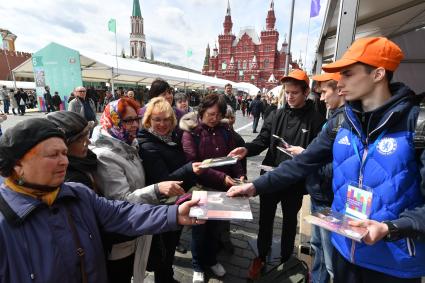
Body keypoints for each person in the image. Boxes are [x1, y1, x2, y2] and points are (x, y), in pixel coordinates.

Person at [228, 37, 425, 283]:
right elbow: (301, 163)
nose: (339, 83)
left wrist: (391, 228)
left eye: (348, 74)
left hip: (393, 263)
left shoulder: (417, 125)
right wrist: (255, 186)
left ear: (378, 74)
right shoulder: (340, 123)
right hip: (345, 251)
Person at [0, 118, 202, 283]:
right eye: (53, 155)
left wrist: (174, 213)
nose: (64, 161)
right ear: (18, 165)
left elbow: (122, 213)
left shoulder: (77, 194)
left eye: (64, 152)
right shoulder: (5, 222)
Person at [231, 69, 326, 280]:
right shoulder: (276, 114)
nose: (290, 97)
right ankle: (261, 256)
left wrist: (305, 153)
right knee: (265, 220)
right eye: (287, 92)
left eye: (294, 93)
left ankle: (286, 259)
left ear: (306, 92)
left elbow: (318, 155)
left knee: (289, 221)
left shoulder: (317, 120)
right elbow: (262, 141)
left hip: (294, 182)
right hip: (270, 176)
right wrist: (246, 149)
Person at [91, 97, 186, 283]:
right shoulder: (106, 155)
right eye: (128, 120)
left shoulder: (128, 144)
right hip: (121, 236)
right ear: (114, 120)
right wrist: (157, 189)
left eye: (136, 119)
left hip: (136, 227)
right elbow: (121, 202)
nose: (135, 124)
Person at [180, 93, 245, 283]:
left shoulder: (225, 131)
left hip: (222, 190)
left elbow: (234, 158)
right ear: (201, 111)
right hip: (200, 188)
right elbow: (195, 165)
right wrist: (223, 177)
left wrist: (239, 175)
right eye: (210, 114)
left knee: (215, 229)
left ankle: (211, 260)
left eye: (218, 115)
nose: (214, 118)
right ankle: (197, 265)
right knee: (199, 231)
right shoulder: (191, 132)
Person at [138, 97, 203, 283]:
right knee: (164, 248)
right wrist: (189, 168)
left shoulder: (171, 138)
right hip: (161, 205)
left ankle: (167, 277)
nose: (162, 124)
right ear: (149, 120)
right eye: (157, 119)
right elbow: (163, 182)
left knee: (170, 244)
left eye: (166, 119)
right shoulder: (147, 144)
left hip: (175, 202)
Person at [307, 72, 344, 283]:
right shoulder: (333, 117)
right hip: (318, 191)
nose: (321, 98)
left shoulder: (345, 120)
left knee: (330, 257)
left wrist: (309, 162)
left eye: (324, 92)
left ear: (339, 89)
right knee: (317, 245)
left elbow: (341, 166)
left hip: (329, 196)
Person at [46, 111, 97, 190]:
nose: (88, 142)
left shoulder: (86, 159)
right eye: (80, 140)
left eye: (87, 135)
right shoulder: (73, 181)